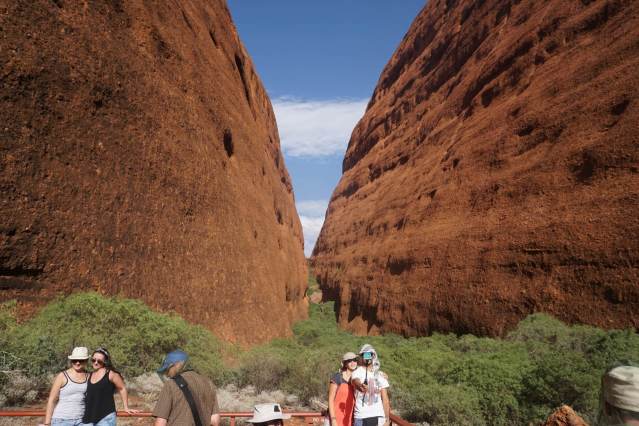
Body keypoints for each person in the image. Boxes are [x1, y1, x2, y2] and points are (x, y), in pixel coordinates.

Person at [153, 349, 220, 426]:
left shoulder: (170, 385)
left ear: (175, 365)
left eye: (168, 370)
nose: (167, 374)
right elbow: (215, 421)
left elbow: (160, 422)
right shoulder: (209, 384)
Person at [83, 347, 136, 425]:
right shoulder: (89, 375)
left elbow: (122, 389)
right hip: (88, 418)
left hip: (106, 417)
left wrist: (126, 407)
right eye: (93, 360)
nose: (96, 363)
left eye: (99, 361)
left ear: (105, 361)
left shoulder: (111, 374)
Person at [39, 346, 90, 426]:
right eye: (74, 360)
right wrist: (47, 423)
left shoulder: (89, 377)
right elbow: (52, 400)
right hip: (62, 420)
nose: (77, 363)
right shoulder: (62, 376)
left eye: (81, 360)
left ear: (86, 361)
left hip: (82, 420)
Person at [350, 344, 390, 426]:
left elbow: (385, 399)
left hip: (379, 416)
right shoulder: (356, 372)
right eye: (364, 355)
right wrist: (360, 386)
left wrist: (387, 419)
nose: (367, 357)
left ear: (373, 356)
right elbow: (355, 381)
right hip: (361, 416)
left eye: (369, 354)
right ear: (361, 356)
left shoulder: (380, 375)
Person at [328, 352, 358, 426]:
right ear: (345, 363)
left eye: (354, 360)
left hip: (351, 420)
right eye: (349, 361)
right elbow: (330, 400)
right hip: (336, 419)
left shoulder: (359, 378)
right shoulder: (337, 377)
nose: (353, 362)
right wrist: (333, 420)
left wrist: (381, 374)